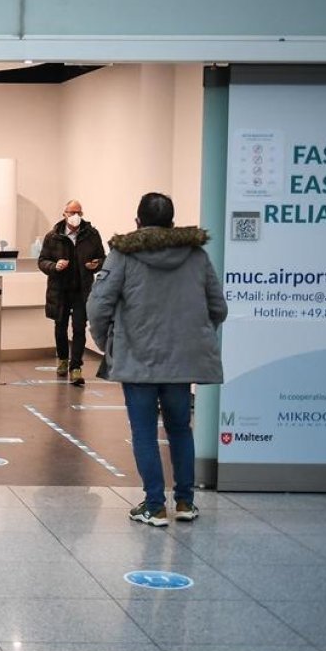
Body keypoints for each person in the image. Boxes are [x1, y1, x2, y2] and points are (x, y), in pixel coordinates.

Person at [86, 192, 228, 527]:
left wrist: (106, 342)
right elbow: (218, 308)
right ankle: (185, 501)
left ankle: (153, 504)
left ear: (138, 221)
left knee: (145, 432)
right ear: (172, 223)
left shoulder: (124, 254)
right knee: (180, 428)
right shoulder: (196, 256)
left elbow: (98, 306)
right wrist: (195, 338)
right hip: (181, 363)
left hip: (137, 359)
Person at [38, 200, 105, 386]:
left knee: (79, 328)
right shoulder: (53, 236)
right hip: (59, 290)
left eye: (78, 212)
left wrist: (95, 265)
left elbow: (103, 257)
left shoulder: (91, 234)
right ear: (64, 214)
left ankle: (76, 367)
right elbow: (42, 261)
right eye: (71, 212)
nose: (75, 216)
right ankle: (62, 360)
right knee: (60, 327)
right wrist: (54, 265)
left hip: (82, 290)